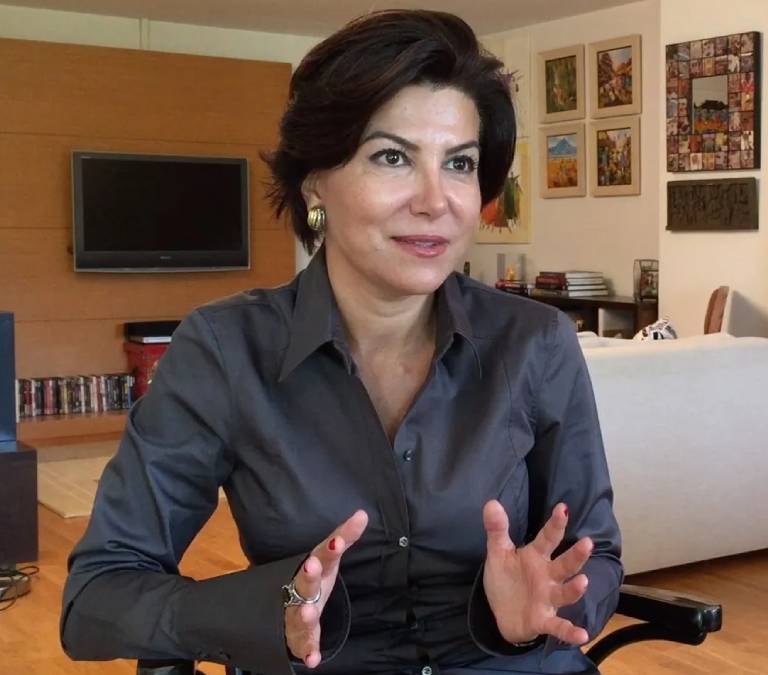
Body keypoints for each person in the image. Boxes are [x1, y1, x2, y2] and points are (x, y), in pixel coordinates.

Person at [60, 10, 622, 675]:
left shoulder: (536, 342)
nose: (435, 199)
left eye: (460, 163)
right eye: (392, 157)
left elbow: (596, 557)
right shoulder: (225, 350)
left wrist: (543, 607)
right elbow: (95, 599)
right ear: (314, 182)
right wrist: (267, 612)